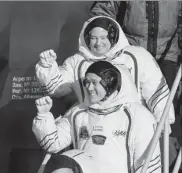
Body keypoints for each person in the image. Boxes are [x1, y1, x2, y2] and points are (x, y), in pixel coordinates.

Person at [32, 61, 162, 173]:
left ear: (111, 83)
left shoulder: (136, 115)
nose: (89, 88)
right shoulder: (79, 113)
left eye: (94, 83)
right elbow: (52, 143)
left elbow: (148, 161)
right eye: (86, 82)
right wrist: (43, 117)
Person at [35, 15, 175, 127]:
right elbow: (57, 88)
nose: (98, 43)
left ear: (113, 37)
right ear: (87, 38)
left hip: (130, 126)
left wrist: (163, 120)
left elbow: (155, 88)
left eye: (103, 37)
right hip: (92, 128)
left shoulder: (136, 56)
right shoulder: (77, 62)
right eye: (93, 38)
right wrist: (47, 69)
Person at [90, 1, 182, 97]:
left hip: (167, 55)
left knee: (166, 100)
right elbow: (102, 9)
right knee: (131, 100)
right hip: (131, 54)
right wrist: (103, 31)